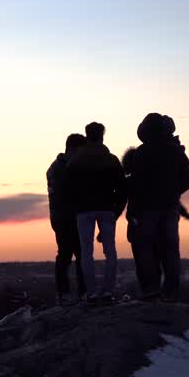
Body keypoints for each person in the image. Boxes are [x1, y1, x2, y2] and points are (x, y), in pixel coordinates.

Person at [122, 113, 189, 300]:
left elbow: (134, 184)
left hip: (145, 208)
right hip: (169, 207)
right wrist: (173, 192)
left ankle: (150, 289)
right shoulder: (175, 151)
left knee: (144, 247)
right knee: (170, 249)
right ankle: (171, 292)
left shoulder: (140, 154)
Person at [66, 122, 126, 302]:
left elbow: (68, 190)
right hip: (107, 209)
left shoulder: (75, 161)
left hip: (83, 211)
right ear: (102, 136)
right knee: (110, 251)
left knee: (86, 252)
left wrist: (75, 208)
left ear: (87, 135)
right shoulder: (111, 159)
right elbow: (122, 189)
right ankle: (108, 290)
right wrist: (117, 210)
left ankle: (91, 292)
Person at [46, 133, 87, 304]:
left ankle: (81, 292)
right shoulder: (59, 169)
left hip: (69, 217)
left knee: (79, 255)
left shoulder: (59, 167)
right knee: (66, 254)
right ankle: (65, 293)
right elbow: (64, 195)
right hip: (64, 219)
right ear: (72, 149)